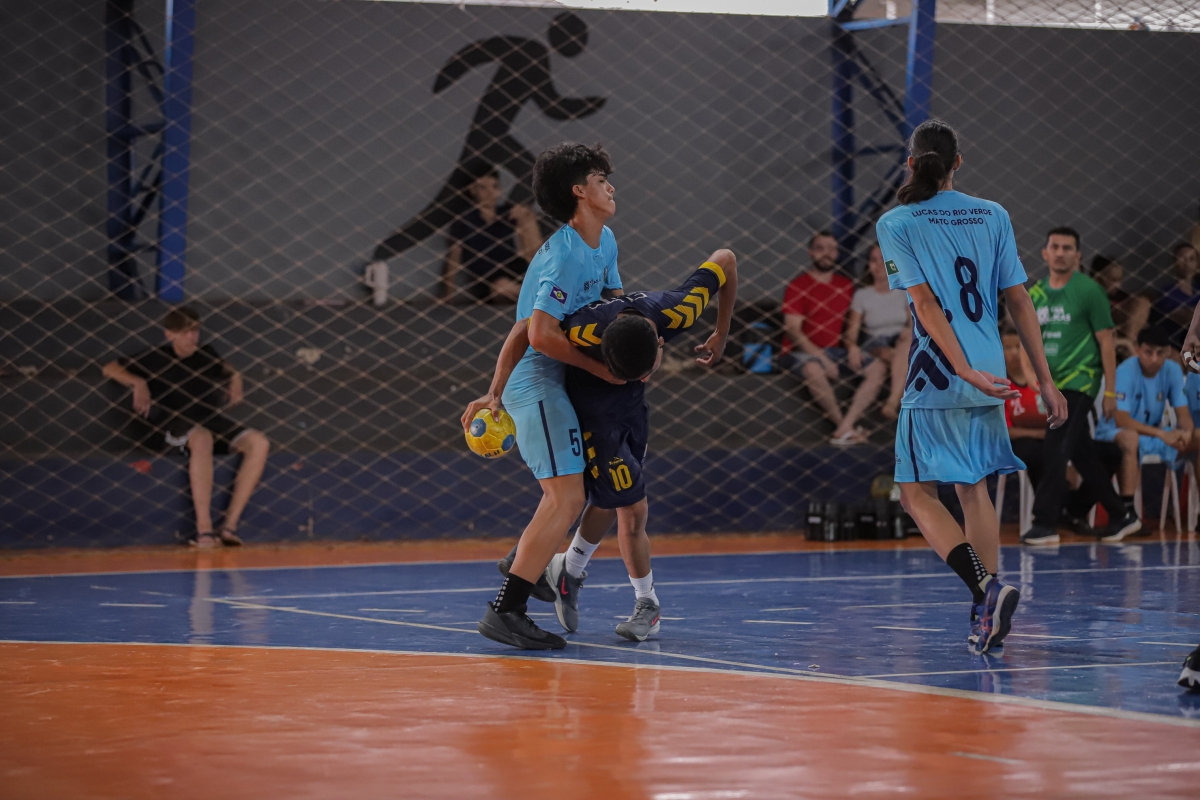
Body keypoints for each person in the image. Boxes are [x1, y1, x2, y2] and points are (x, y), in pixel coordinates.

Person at [875, 119, 1068, 653]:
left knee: (915, 493)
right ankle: (985, 614)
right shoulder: (993, 214)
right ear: (958, 162)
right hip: (991, 368)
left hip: (941, 369)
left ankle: (987, 589)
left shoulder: (897, 221)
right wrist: (1045, 381)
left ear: (911, 164)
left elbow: (924, 303)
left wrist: (959, 368)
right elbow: (1019, 299)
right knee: (974, 487)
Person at [475, 251, 738, 641]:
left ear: (660, 343)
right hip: (597, 426)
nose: (637, 377)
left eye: (644, 373)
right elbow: (525, 329)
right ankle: (646, 603)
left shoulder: (678, 310)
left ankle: (567, 569)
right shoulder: (584, 328)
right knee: (631, 507)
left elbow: (726, 260)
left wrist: (722, 331)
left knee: (608, 499)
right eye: (620, 372)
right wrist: (494, 392)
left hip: (633, 415)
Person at [463, 142, 624, 650]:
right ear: (578, 192)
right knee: (565, 497)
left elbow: (615, 305)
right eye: (600, 180)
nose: (610, 186)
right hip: (535, 381)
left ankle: (523, 560)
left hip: (558, 379)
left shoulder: (604, 241)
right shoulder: (564, 255)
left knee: (579, 488)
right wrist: (497, 393)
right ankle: (504, 610)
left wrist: (639, 338)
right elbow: (533, 334)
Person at [371, 13, 605, 263]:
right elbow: (484, 51)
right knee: (451, 202)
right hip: (489, 133)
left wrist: (589, 104)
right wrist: (448, 75)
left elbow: (550, 104)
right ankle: (500, 224)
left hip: (494, 133)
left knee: (449, 203)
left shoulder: (538, 56)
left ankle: (387, 251)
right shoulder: (532, 51)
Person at [101, 307, 270, 547]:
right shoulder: (156, 357)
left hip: (210, 420)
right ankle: (204, 530)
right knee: (202, 439)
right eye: (185, 332)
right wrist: (138, 382)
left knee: (259, 443)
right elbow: (109, 368)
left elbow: (226, 367)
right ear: (170, 334)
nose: (192, 337)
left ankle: (229, 527)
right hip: (174, 425)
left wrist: (236, 376)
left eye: (195, 331)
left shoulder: (205, 354)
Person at [1023, 227, 1139, 545]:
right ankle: (1121, 514)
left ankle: (1044, 523)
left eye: (1067, 248)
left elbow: (1106, 343)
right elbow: (1025, 341)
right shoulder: (1036, 293)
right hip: (1050, 385)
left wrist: (1110, 392)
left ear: (1078, 255)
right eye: (1055, 247)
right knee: (1082, 452)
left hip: (1080, 380)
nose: (1060, 253)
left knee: (1056, 449)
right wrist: (1032, 378)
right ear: (1045, 253)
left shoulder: (1090, 291)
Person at [781, 231, 885, 445]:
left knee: (878, 368)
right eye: (820, 248)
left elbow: (852, 326)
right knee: (813, 368)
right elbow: (793, 330)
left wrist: (853, 346)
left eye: (831, 249)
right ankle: (842, 427)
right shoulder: (798, 285)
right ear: (810, 252)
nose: (826, 254)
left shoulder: (845, 286)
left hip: (836, 351)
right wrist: (822, 358)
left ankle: (846, 426)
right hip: (799, 353)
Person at [1091, 327, 1192, 541]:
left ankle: (1196, 514)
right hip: (1113, 432)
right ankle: (1127, 512)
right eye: (1148, 352)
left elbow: (1183, 415)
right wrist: (1162, 434)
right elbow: (1122, 420)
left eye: (1160, 353)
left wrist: (1187, 433)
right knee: (1130, 438)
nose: (1154, 359)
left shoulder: (1173, 370)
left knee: (1197, 440)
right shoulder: (1126, 371)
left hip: (1152, 434)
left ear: (1168, 352)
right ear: (1137, 350)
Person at [439, 161, 541, 303]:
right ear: (472, 190)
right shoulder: (465, 219)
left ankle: (540, 280)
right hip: (489, 280)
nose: (490, 193)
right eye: (483, 188)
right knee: (501, 287)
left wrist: (526, 213)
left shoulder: (505, 213)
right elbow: (454, 255)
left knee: (526, 215)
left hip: (515, 269)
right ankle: (542, 294)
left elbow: (528, 233)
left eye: (495, 186)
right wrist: (447, 295)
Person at [846, 243, 912, 420]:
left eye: (884, 260)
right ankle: (897, 402)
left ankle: (891, 402)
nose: (879, 265)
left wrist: (909, 330)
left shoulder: (903, 292)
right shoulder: (862, 295)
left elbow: (914, 323)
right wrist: (852, 346)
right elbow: (852, 332)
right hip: (875, 342)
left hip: (901, 340)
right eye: (874, 260)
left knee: (906, 343)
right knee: (900, 357)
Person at [1090, 254, 1150, 349]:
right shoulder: (1091, 296)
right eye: (1113, 280)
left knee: (1143, 302)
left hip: (1128, 336)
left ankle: (1129, 343)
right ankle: (1128, 346)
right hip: (1109, 335)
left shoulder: (1121, 296)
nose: (1118, 285)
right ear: (1099, 278)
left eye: (1120, 280)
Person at [1150, 243, 1200, 350]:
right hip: (1179, 344)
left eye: (1192, 259)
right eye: (1182, 258)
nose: (1187, 263)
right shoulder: (1167, 292)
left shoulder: (1198, 289)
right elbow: (1186, 317)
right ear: (1174, 263)